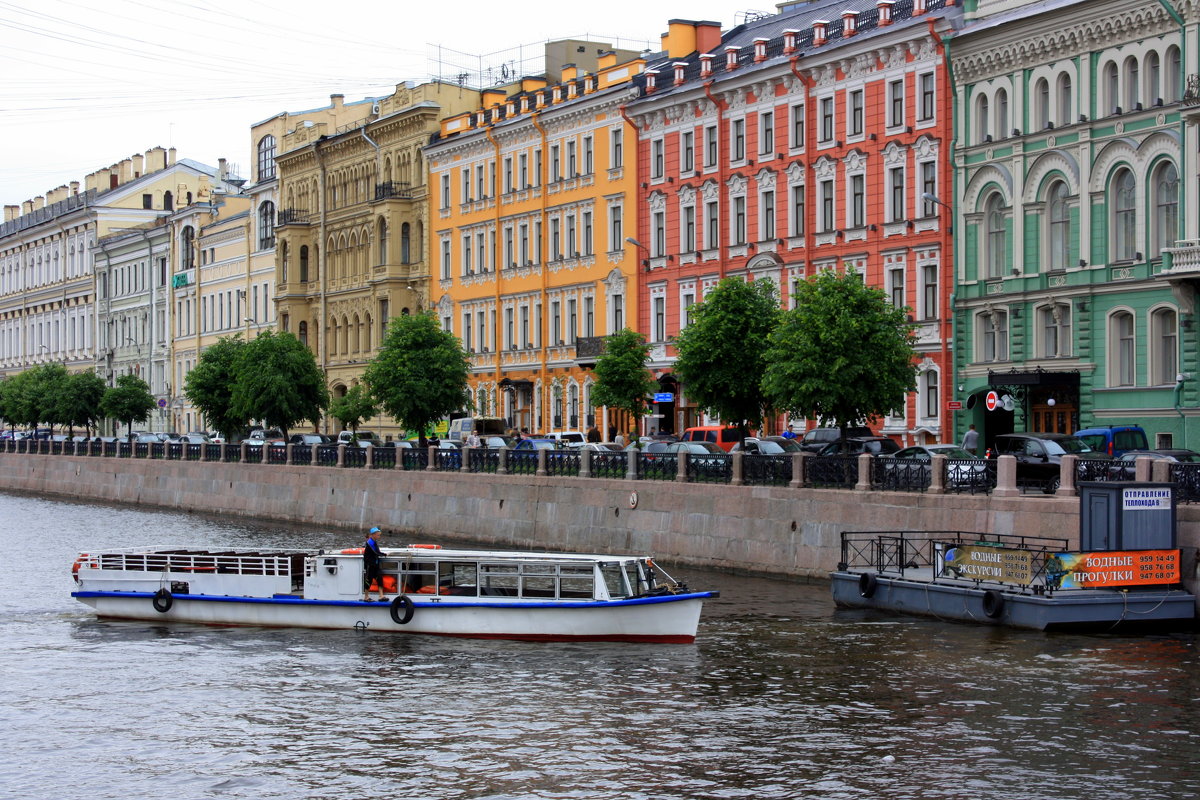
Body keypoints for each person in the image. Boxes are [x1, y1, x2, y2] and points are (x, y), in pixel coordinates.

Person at [363, 526, 386, 602]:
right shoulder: (370, 542)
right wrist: (384, 554)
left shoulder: (374, 542)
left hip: (375, 563)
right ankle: (366, 596)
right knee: (369, 580)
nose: (379, 536)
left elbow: (377, 552)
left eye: (379, 535)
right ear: (373, 535)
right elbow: (376, 552)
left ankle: (381, 596)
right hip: (370, 564)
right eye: (378, 535)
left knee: (379, 578)